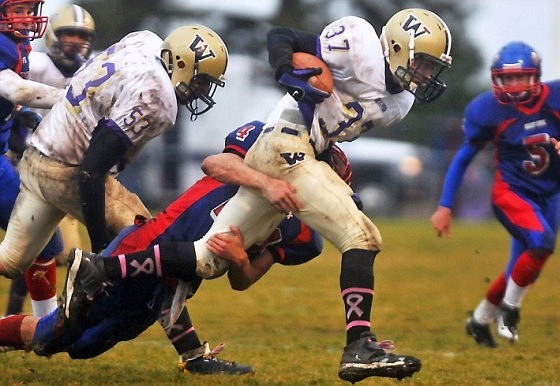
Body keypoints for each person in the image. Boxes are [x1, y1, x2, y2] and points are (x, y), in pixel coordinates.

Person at [66, 8, 453, 383]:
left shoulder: (401, 104)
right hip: (286, 141)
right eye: (422, 63)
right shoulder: (358, 41)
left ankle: (98, 269)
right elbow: (281, 37)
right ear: (398, 48)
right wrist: (290, 73)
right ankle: (359, 345)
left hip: (298, 150)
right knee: (362, 237)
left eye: (431, 67)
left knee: (207, 259)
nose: (425, 74)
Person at [0, 121, 354, 375]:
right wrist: (265, 184)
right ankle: (96, 268)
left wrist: (241, 259)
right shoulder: (267, 147)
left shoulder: (304, 235)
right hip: (153, 242)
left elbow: (242, 280)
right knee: (50, 334)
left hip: (180, 276)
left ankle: (193, 356)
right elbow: (215, 164)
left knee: (82, 346)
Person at [0, 23, 228, 289]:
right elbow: (90, 170)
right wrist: (101, 250)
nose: (201, 91)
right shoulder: (158, 98)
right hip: (68, 170)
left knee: (11, 260)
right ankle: (179, 330)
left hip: (37, 157)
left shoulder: (144, 41)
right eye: (200, 81)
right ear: (179, 64)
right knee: (153, 242)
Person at [430, 41, 560, 348]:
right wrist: (445, 205)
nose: (513, 84)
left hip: (547, 197)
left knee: (523, 270)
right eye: (507, 79)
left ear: (536, 76)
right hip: (511, 193)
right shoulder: (489, 111)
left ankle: (479, 320)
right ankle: (509, 311)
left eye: (520, 77)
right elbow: (463, 157)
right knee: (541, 243)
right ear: (497, 79)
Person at [4, 4, 96, 317]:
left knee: (43, 243)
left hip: (58, 168)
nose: (74, 40)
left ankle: (37, 322)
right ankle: (34, 320)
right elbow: (15, 94)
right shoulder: (33, 61)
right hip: (22, 162)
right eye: (68, 33)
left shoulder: (91, 69)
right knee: (47, 244)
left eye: (81, 35)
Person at [0, 0, 67, 318]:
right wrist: (72, 98)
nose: (28, 18)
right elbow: (14, 89)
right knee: (40, 234)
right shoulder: (5, 46)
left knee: (43, 237)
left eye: (30, 9)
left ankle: (46, 325)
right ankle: (47, 325)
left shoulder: (20, 45)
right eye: (19, 10)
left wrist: (22, 116)